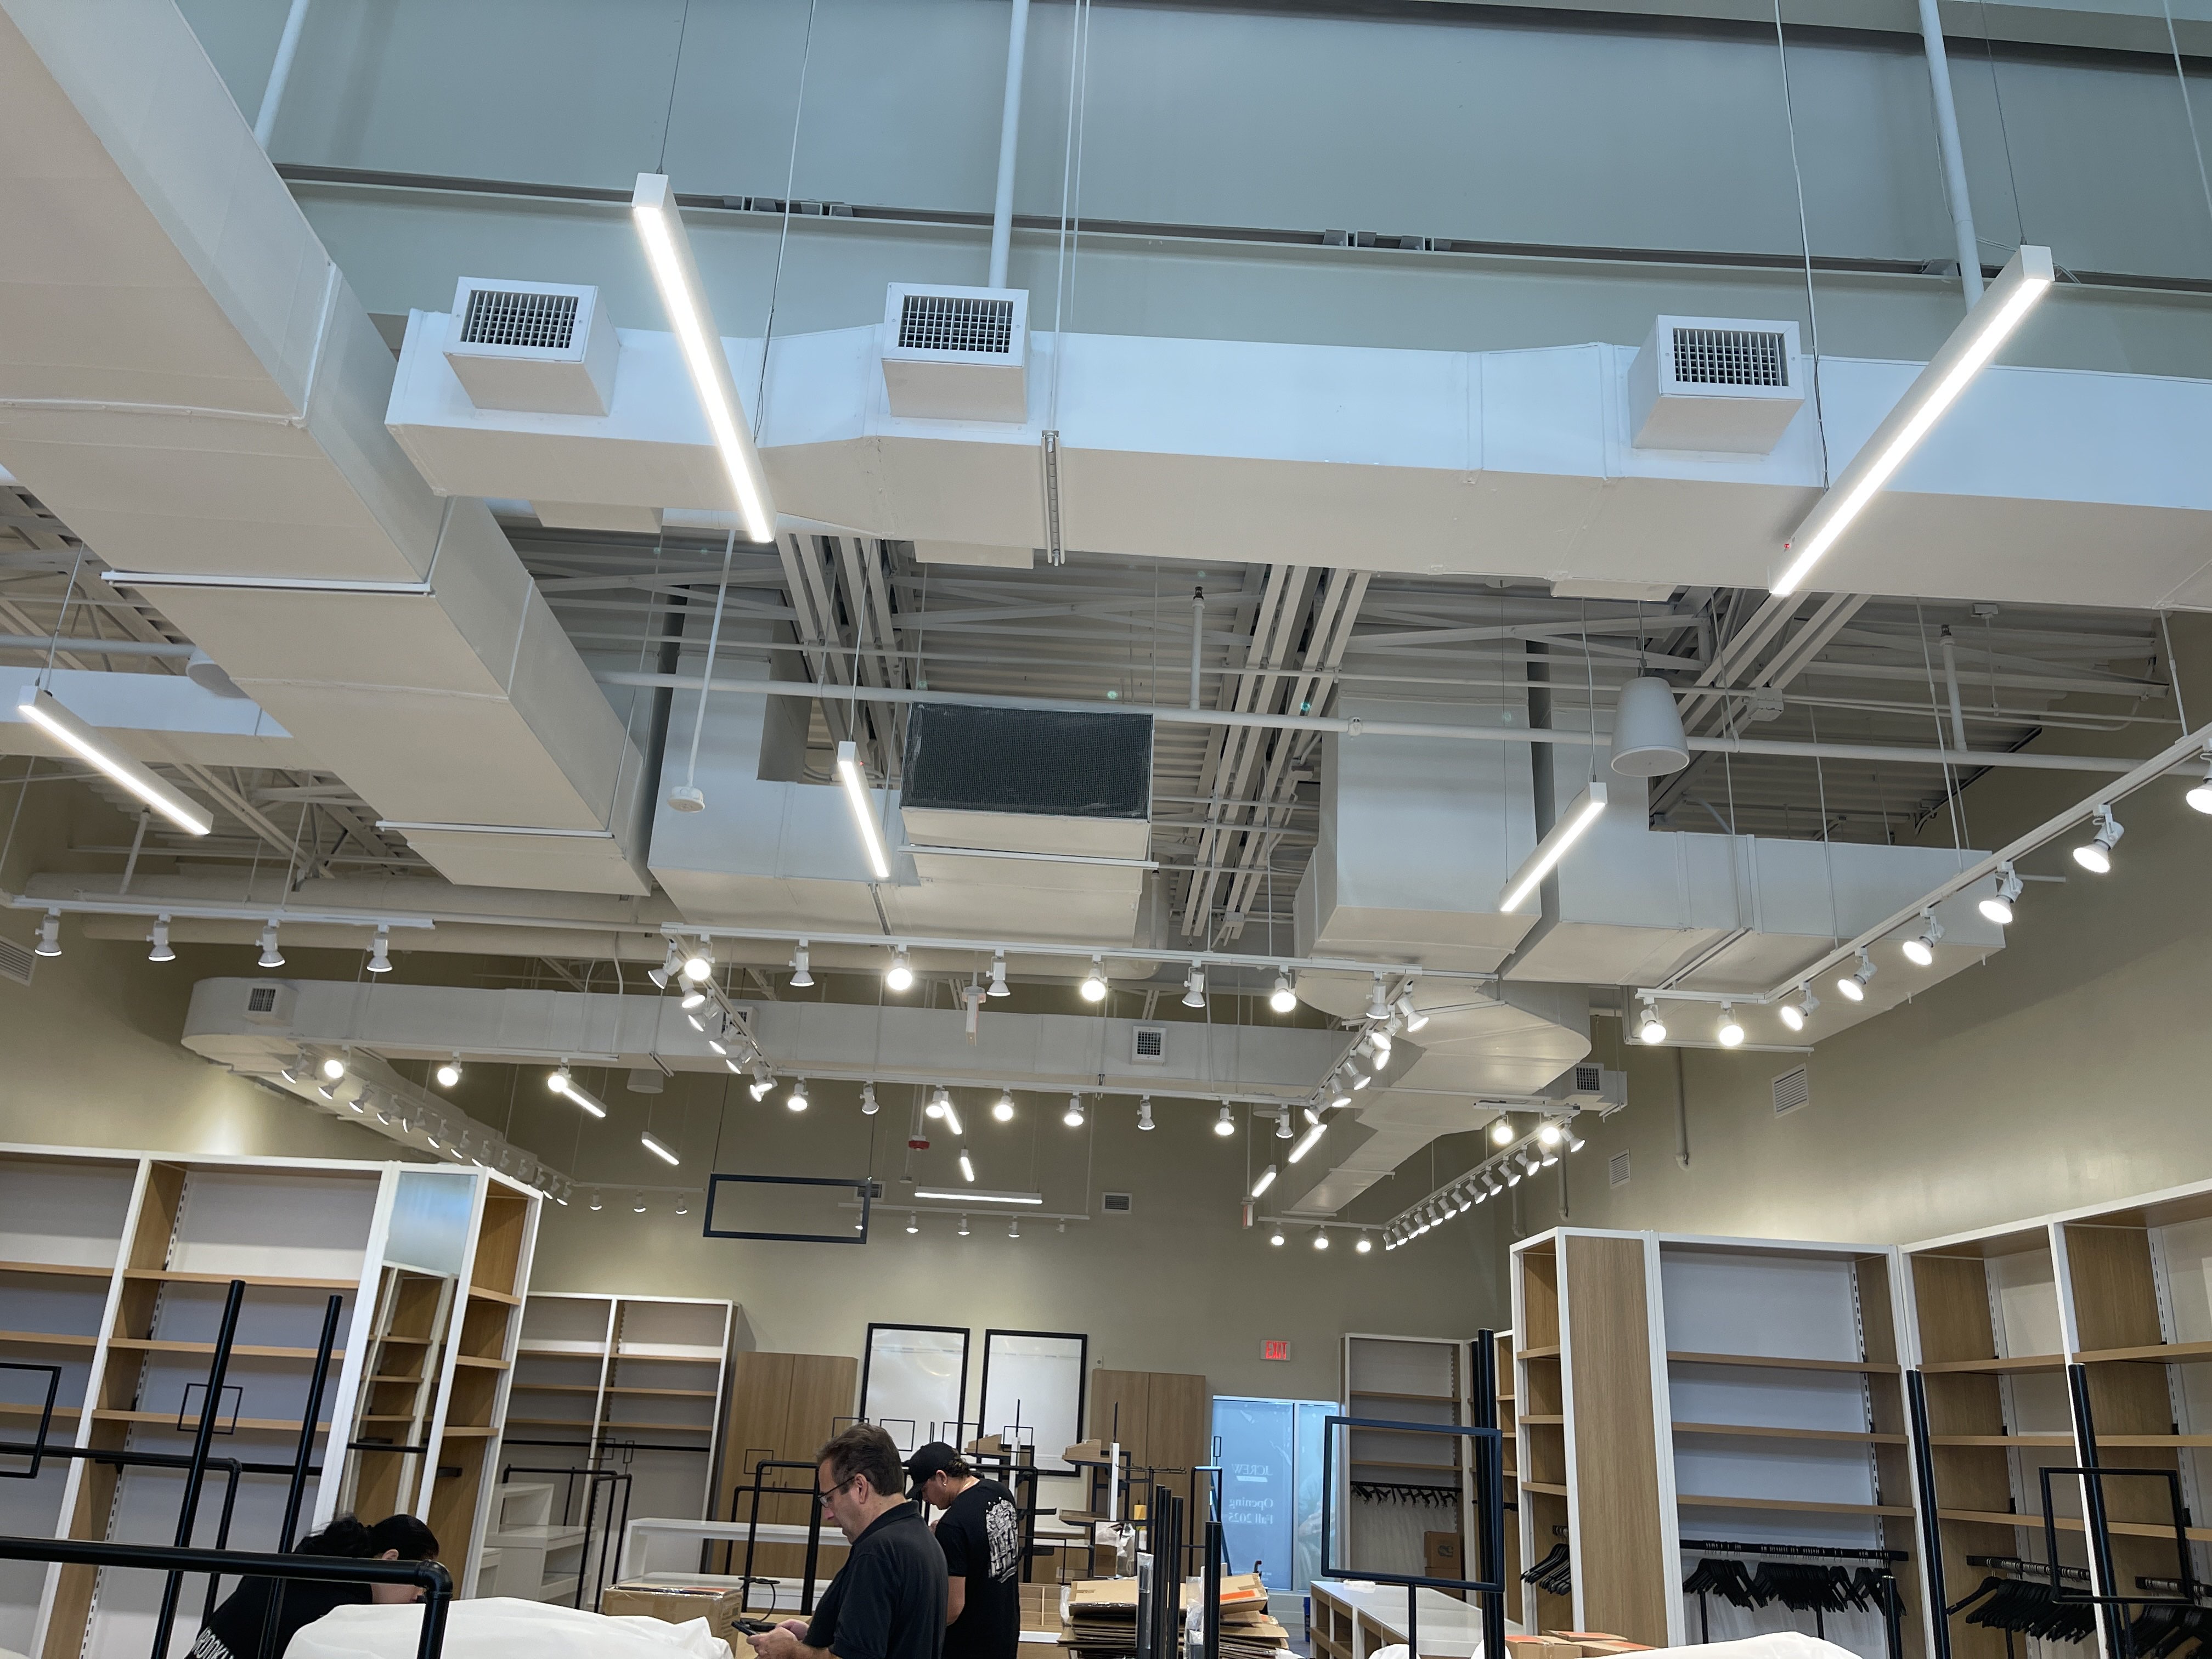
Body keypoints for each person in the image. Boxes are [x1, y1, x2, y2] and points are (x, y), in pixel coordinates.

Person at [749, 1424, 946, 1659]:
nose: (828, 1514)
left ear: (860, 1487)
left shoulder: (879, 1551)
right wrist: (818, 1634)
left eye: (829, 1499)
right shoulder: (920, 1538)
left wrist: (791, 1652)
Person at [190, 1513, 439, 1659]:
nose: (419, 1595)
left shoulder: (306, 1568)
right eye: (418, 1582)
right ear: (391, 1560)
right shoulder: (340, 1611)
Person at [906, 1442, 1020, 1659]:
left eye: (924, 1490)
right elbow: (984, 1545)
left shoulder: (953, 1526)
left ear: (942, 1477)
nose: (925, 1498)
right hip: (1005, 1630)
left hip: (971, 1644)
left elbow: (952, 1609)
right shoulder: (1000, 1492)